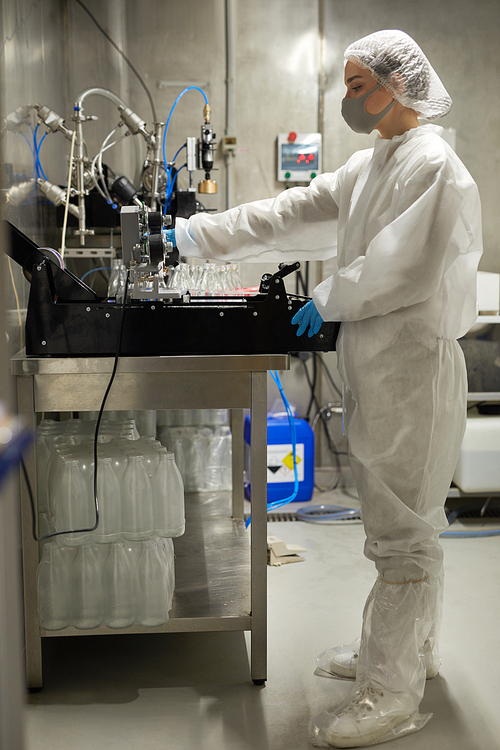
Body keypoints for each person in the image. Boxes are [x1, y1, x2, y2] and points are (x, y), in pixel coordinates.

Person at [171, 29, 483, 747]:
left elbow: (399, 270)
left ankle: (391, 693)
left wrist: (332, 295)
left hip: (413, 371)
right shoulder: (376, 162)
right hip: (382, 366)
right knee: (405, 526)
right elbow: (292, 212)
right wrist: (198, 234)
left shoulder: (430, 163)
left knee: (402, 534)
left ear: (397, 85)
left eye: (356, 85)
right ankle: (410, 654)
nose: (346, 99)